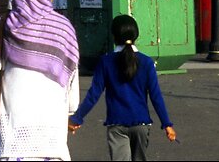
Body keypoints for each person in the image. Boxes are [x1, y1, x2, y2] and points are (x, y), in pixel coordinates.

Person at [0, 0, 80, 160]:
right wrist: (71, 109)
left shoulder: (5, 25)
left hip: (13, 135)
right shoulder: (63, 28)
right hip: (51, 136)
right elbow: (71, 79)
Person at [68, 15, 175, 161]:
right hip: (141, 123)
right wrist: (166, 124)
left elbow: (94, 95)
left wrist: (76, 118)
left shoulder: (105, 62)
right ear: (136, 35)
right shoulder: (146, 62)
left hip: (116, 123)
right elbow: (156, 96)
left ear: (113, 36)